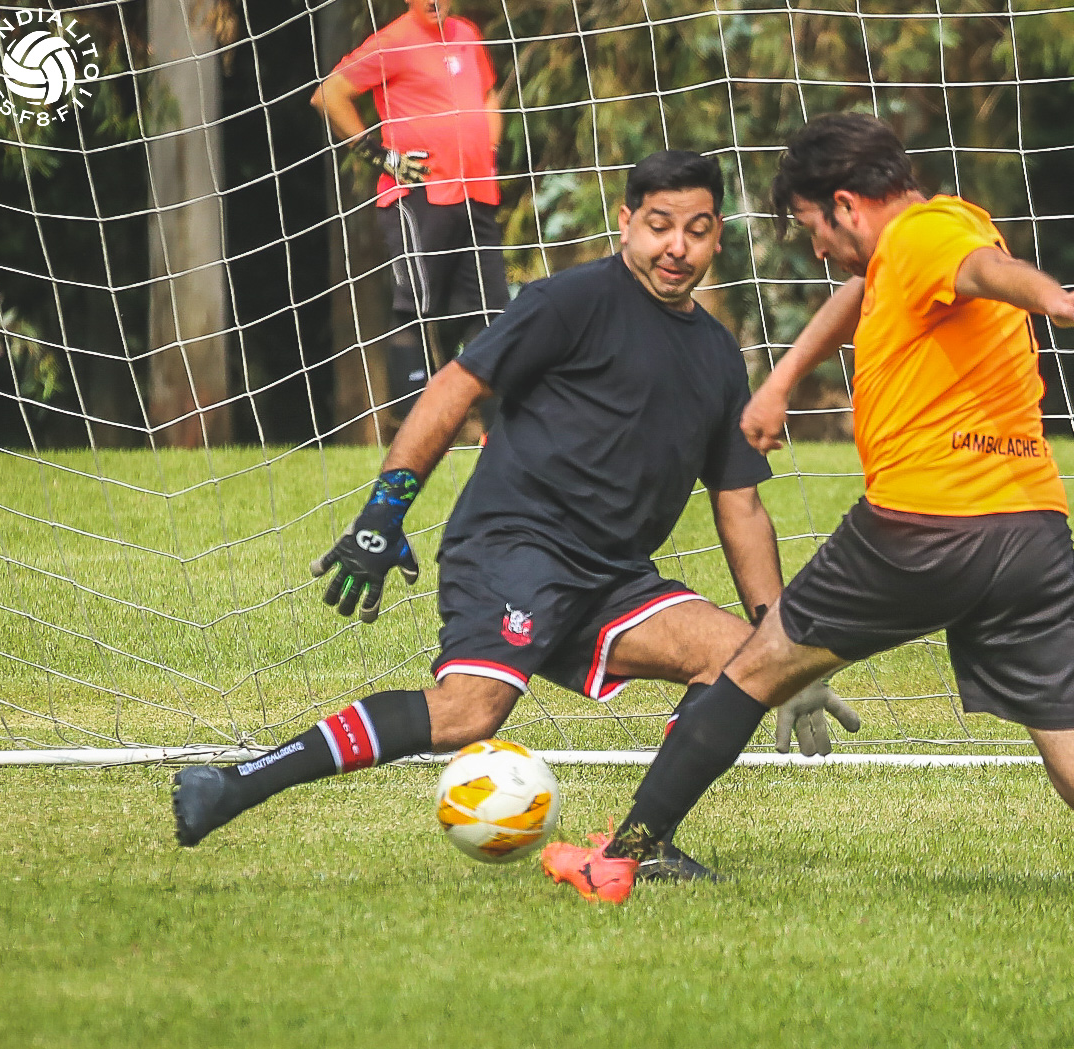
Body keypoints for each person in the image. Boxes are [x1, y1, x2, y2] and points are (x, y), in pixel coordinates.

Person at [541, 114, 1074, 905]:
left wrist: (1055, 301)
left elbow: (985, 271)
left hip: (919, 527)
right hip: (1033, 535)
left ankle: (619, 858)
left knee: (751, 670)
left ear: (845, 205)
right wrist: (781, 382)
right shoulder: (920, 241)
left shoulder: (927, 237)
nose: (816, 249)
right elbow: (870, 289)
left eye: (813, 228)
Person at [171, 151, 859, 880]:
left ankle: (636, 847)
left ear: (717, 235)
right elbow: (453, 388)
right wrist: (383, 512)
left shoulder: (717, 355)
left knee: (740, 661)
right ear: (625, 223)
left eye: (695, 229)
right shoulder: (569, 301)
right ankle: (232, 784)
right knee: (468, 714)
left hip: (613, 577)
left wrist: (778, 643)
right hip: (515, 546)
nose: (676, 247)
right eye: (659, 225)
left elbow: (739, 502)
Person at [311, 0, 509, 422]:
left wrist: (489, 147)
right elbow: (329, 94)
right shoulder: (393, 42)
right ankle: (411, 426)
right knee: (417, 307)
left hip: (477, 194)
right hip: (419, 197)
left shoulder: (466, 34)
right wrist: (378, 155)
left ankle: (497, 430)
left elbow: (489, 95)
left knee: (491, 309)